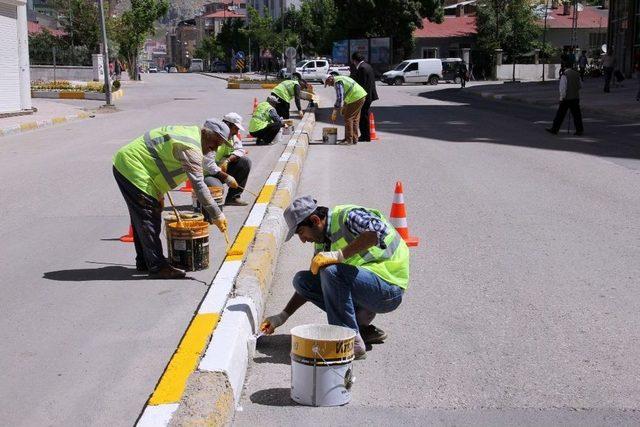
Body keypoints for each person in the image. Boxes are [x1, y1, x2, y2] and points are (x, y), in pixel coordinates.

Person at [260, 196, 410, 359]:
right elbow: (313, 283)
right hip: (365, 293)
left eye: (301, 232)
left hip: (388, 289)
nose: (303, 240)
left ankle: (351, 343)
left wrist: (339, 255)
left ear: (315, 220)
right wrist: (282, 316)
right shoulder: (321, 241)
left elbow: (376, 232)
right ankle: (359, 329)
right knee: (302, 281)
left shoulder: (348, 216)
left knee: (330, 271)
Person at [113, 120, 230, 279]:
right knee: (148, 216)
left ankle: (145, 261)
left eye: (218, 145)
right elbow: (199, 185)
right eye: (214, 143)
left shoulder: (192, 136)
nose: (215, 149)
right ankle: (157, 267)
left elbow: (161, 162)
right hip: (133, 167)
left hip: (135, 167)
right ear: (204, 133)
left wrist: (158, 193)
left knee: (142, 216)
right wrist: (217, 214)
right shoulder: (190, 147)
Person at [216, 113, 252, 206]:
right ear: (228, 125)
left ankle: (233, 197)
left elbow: (240, 150)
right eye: (236, 128)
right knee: (216, 190)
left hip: (221, 168)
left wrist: (227, 160)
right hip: (208, 172)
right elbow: (206, 164)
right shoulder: (213, 136)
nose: (237, 132)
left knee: (245, 162)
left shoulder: (233, 136)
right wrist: (226, 177)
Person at [324, 74, 367, 145]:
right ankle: (354, 139)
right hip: (360, 96)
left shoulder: (337, 82)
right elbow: (346, 93)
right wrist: (344, 107)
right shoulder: (340, 78)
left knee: (348, 118)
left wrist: (335, 110)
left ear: (329, 79)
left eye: (327, 83)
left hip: (356, 97)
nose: (329, 85)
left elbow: (340, 97)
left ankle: (349, 140)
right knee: (355, 119)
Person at [546, 62, 584, 136]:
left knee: (560, 114)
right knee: (577, 115)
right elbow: (580, 86)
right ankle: (579, 130)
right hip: (575, 97)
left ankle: (554, 129)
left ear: (564, 67)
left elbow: (563, 88)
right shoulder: (577, 74)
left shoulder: (565, 75)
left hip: (566, 98)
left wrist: (561, 98)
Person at [350, 52, 379, 142]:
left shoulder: (362, 68)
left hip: (365, 96)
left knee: (363, 116)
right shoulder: (367, 66)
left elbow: (361, 84)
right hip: (370, 95)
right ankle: (366, 136)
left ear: (354, 60)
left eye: (353, 61)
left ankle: (365, 136)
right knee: (364, 115)